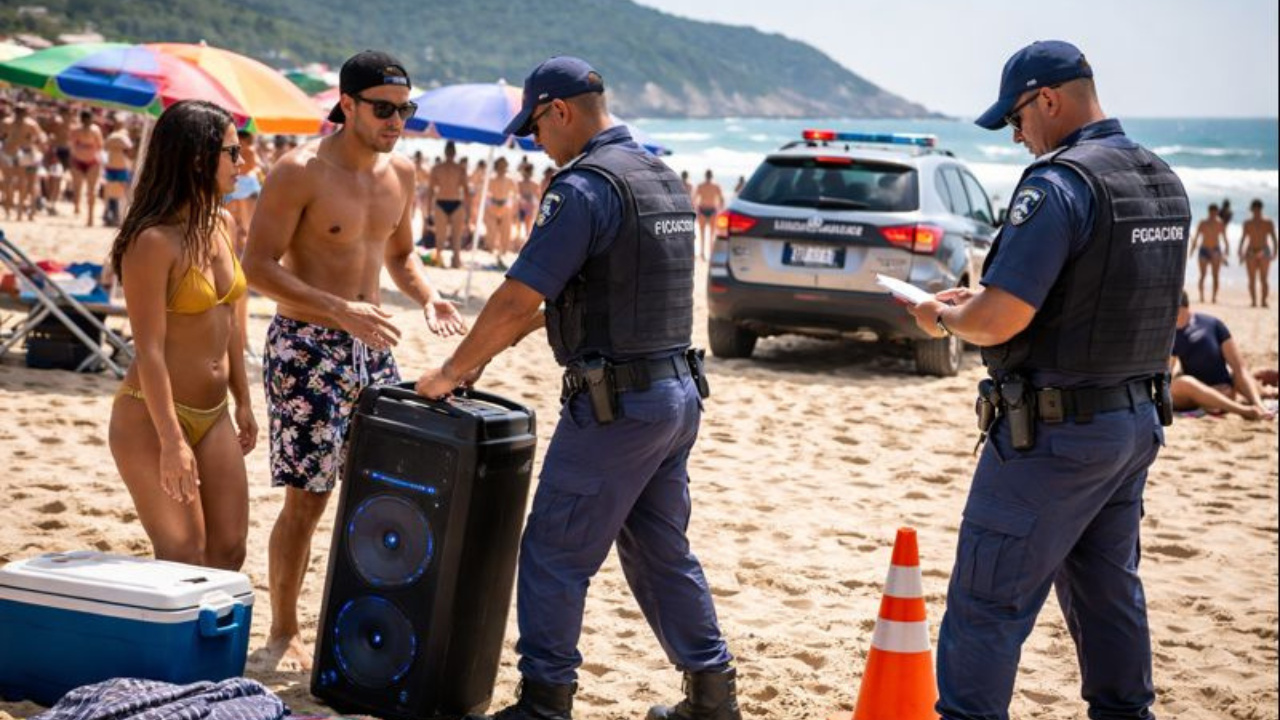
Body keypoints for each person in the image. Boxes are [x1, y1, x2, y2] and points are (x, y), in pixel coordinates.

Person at [416, 56, 741, 720]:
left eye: (536, 127)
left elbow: (519, 296)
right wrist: (493, 349)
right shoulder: (661, 177)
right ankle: (713, 696)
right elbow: (603, 293)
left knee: (553, 553)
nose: (537, 143)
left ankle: (544, 702)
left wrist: (451, 371)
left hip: (617, 406)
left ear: (559, 111)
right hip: (676, 397)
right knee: (659, 550)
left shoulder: (585, 187)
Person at [904, 41, 1189, 720]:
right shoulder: (1160, 178)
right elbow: (1118, 299)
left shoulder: (1058, 184)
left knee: (987, 602)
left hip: (1055, 433)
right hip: (1132, 422)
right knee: (1107, 592)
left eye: (1016, 118)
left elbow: (998, 319)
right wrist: (979, 305)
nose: (1016, 135)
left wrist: (942, 318)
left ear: (1049, 100)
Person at [241, 50, 467, 673]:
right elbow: (255, 266)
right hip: (307, 346)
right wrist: (339, 309)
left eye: (405, 109)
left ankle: (358, 619)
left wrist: (428, 295)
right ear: (347, 104)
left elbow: (401, 256)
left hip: (375, 348)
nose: (397, 121)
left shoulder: (403, 173)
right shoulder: (299, 171)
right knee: (308, 499)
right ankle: (284, 630)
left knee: (379, 496)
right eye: (384, 109)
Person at [106, 100, 257, 571]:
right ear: (197, 158)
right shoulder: (151, 241)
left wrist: (243, 399)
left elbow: (229, 320)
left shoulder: (223, 224)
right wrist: (171, 440)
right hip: (151, 417)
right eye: (232, 152)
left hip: (214, 413)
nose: (243, 162)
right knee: (183, 553)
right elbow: (149, 350)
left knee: (229, 551)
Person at [1170, 291, 1276, 419]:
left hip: (1224, 387)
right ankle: (1245, 411)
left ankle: (1260, 405)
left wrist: (1259, 404)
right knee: (1183, 382)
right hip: (1195, 394)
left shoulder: (1212, 324)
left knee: (1240, 374)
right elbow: (1168, 373)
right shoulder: (1170, 335)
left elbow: (1239, 368)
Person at [428, 140, 469, 268]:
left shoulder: (437, 169)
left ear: (445, 152)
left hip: (446, 202)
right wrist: (469, 212)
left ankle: (451, 259)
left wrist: (428, 211)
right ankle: (449, 260)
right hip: (451, 202)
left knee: (447, 236)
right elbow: (466, 191)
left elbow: (430, 191)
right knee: (448, 236)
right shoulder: (459, 169)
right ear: (454, 153)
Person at [67, 110, 104, 226]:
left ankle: (90, 218)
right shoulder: (76, 130)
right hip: (78, 161)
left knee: (91, 191)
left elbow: (100, 145)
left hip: (92, 162)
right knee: (77, 188)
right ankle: (77, 205)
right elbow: (72, 145)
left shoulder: (95, 130)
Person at [1188, 202, 1230, 303]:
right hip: (1204, 249)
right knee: (1203, 275)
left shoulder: (1220, 223)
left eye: (1214, 212)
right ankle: (1201, 297)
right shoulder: (1203, 223)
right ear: (1209, 212)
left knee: (1215, 275)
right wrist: (1192, 250)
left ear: (1217, 212)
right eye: (1211, 212)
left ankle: (1214, 297)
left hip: (1215, 250)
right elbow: (1196, 237)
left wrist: (1226, 251)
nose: (1213, 214)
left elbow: (1225, 238)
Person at [1239, 198, 1277, 307]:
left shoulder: (1268, 222)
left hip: (1264, 250)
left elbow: (1274, 238)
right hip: (1251, 250)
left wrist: (1275, 252)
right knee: (1252, 279)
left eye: (1257, 209)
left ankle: (1264, 301)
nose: (1256, 211)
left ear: (1260, 209)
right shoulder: (1247, 223)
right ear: (1252, 210)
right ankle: (1254, 301)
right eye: (1254, 209)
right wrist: (1240, 251)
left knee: (1263, 278)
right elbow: (1243, 238)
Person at [484, 155, 517, 268]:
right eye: (500, 165)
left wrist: (514, 210)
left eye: (504, 165)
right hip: (492, 207)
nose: (502, 168)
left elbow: (515, 195)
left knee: (505, 235)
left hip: (505, 208)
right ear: (496, 166)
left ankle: (500, 256)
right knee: (492, 234)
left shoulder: (510, 180)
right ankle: (495, 255)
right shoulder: (491, 179)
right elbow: (483, 195)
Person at [102, 120, 135, 227]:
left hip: (114, 167)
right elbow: (130, 153)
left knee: (112, 193)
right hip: (119, 168)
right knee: (119, 194)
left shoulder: (112, 137)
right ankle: (115, 217)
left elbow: (105, 148)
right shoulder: (123, 137)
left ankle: (112, 216)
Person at [692, 170, 724, 260]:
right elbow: (722, 200)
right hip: (711, 210)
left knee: (703, 233)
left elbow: (694, 200)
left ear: (705, 176)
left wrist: (695, 210)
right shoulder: (716, 186)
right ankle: (708, 254)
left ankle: (703, 253)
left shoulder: (701, 186)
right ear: (712, 176)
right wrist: (720, 210)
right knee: (711, 234)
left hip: (703, 209)